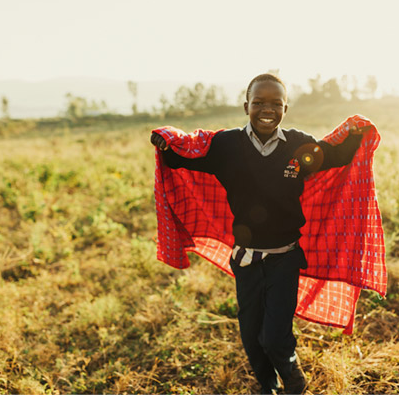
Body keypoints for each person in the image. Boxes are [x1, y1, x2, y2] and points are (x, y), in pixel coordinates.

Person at [150, 73, 373, 394]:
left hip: (285, 258)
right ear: (246, 106)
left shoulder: (298, 146)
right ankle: (267, 387)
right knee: (252, 338)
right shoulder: (226, 146)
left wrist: (357, 133)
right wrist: (165, 142)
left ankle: (294, 382)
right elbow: (184, 156)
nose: (266, 109)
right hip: (245, 261)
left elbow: (336, 155)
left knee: (275, 338)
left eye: (275, 103)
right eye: (258, 102)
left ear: (286, 108)